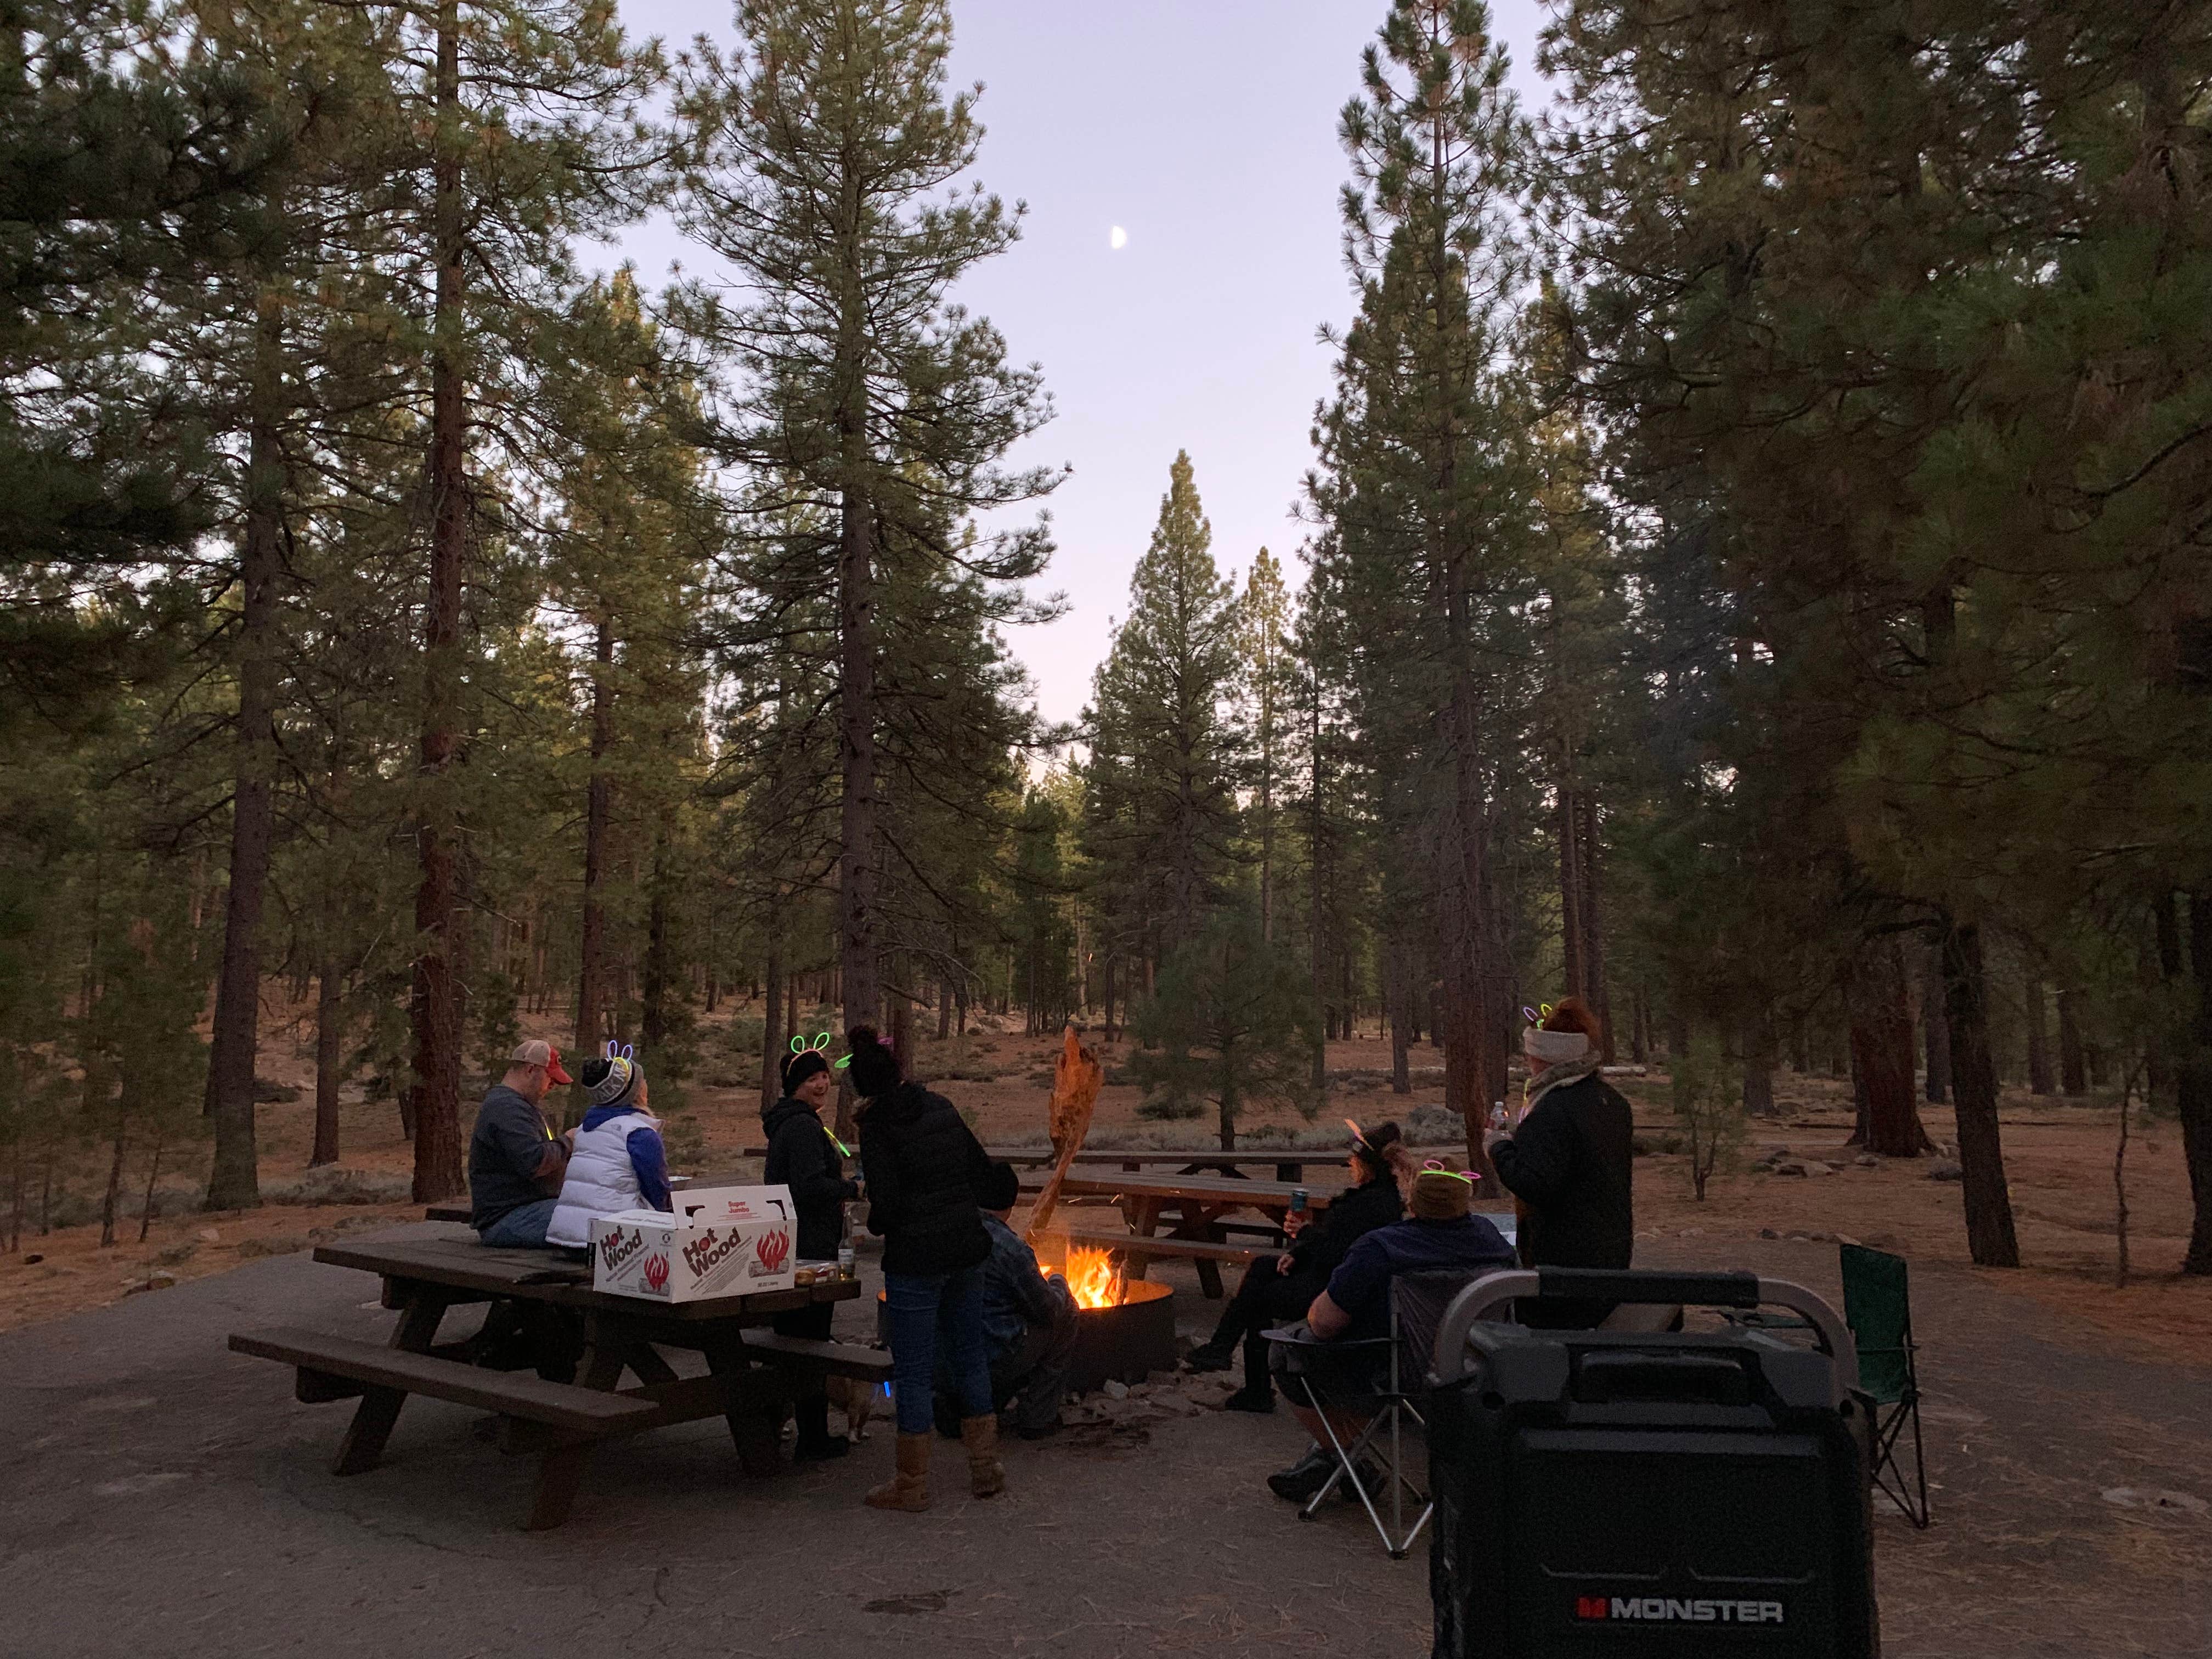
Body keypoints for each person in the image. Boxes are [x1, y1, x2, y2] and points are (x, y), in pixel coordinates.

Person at [1266, 1165, 1516, 1502]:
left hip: (1396, 1378)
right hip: (1475, 1376)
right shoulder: (1492, 1241)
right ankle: (1338, 1462)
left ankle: (1344, 1459)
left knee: (1286, 1350)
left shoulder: (1382, 1247)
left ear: (1411, 1204)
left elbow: (1324, 1325)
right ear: (1465, 1204)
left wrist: (1311, 1312)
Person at [848, 1025, 1002, 1512]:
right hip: (965, 1249)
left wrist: (873, 1220)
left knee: (914, 1371)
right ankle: (985, 1469)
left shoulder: (877, 1130)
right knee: (969, 1355)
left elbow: (888, 1206)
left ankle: (911, 1484)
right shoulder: (942, 1108)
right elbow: (981, 1173)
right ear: (901, 1072)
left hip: (916, 1260)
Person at [1183, 1121, 1410, 1413]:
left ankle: (1253, 1386)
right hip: (1327, 1272)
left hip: (1335, 1290)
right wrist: (1300, 1253)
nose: (1350, 1165)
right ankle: (1221, 1350)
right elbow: (1331, 1242)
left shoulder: (1371, 1205)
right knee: (1264, 1267)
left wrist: (1302, 1233)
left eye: (1354, 1161)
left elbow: (1338, 1251)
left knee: (1259, 1299)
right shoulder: (1372, 1196)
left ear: (1367, 1165)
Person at [1483, 995, 1634, 1329]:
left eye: (1530, 1054)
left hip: (1561, 1265)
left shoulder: (1551, 1110)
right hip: (1611, 1256)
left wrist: (1498, 1148)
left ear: (1542, 1057)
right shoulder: (1613, 1102)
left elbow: (1537, 1185)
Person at [763, 1040, 863, 1462]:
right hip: (808, 1248)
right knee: (810, 1343)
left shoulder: (790, 1123)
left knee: (792, 1341)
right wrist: (850, 1189)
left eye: (824, 1076)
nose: (822, 1083)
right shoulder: (802, 1128)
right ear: (796, 1086)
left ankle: (781, 1429)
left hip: (790, 1245)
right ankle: (813, 1438)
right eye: (812, 1078)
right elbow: (806, 1187)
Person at [935, 1161, 1077, 1441]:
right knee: (1067, 1313)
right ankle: (1038, 1418)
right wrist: (1059, 1282)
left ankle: (962, 1408)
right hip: (993, 1354)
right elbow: (1047, 1310)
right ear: (1011, 1203)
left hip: (942, 1355)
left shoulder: (946, 1233)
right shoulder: (1009, 1248)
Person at [546, 1045, 670, 1249]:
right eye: (643, 1081)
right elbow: (657, 1191)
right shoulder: (639, 1134)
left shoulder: (584, 1130)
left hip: (565, 1240)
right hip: (611, 1243)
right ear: (637, 1092)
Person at [467, 1039, 576, 1248]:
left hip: (526, 1209)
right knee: (592, 1224)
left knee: (592, 1215)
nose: (552, 1086)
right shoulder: (507, 1108)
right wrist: (569, 1142)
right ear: (530, 1069)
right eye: (550, 1078)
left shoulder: (520, 1106)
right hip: (509, 1217)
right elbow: (533, 1162)